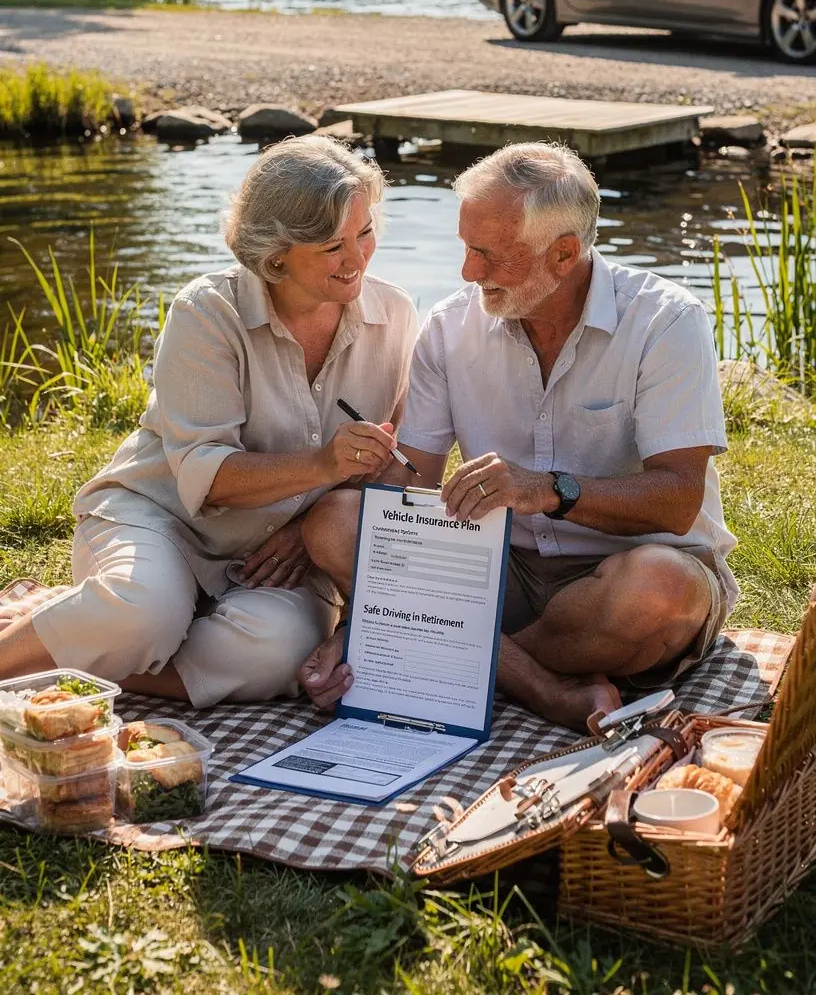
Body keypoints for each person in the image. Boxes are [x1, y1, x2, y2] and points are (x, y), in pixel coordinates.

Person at [299, 141, 737, 732]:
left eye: (490, 255)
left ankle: (432, 656)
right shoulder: (450, 327)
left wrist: (547, 490)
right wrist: (354, 470)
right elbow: (413, 483)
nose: (468, 272)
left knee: (659, 592)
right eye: (466, 247)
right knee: (335, 520)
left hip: (625, 571)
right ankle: (537, 684)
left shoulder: (666, 322)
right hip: (494, 567)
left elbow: (678, 501)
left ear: (564, 254)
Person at [0, 135, 418, 706]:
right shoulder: (206, 312)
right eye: (331, 246)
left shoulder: (395, 316)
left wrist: (311, 530)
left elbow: (397, 464)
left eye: (364, 232)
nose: (358, 259)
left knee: (276, 655)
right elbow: (206, 474)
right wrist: (322, 464)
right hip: (162, 517)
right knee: (140, 613)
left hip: (284, 551)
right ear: (275, 255)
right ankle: (50, 648)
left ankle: (85, 649)